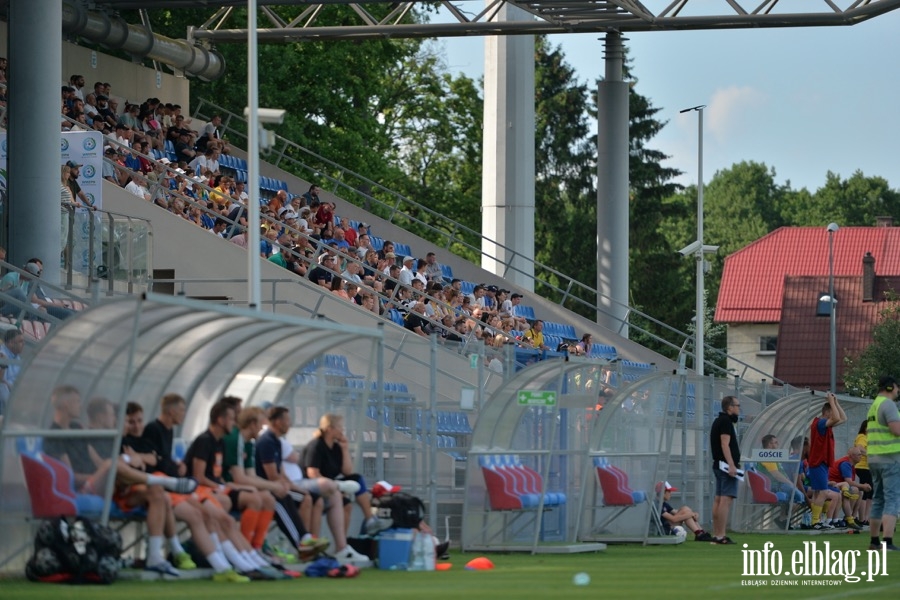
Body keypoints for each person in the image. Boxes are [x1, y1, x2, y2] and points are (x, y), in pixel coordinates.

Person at [257, 406, 367, 565]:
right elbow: (292, 474)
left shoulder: (277, 442)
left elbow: (281, 473)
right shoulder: (270, 441)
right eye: (287, 420)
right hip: (285, 486)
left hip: (292, 486)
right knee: (302, 497)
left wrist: (344, 449)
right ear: (278, 421)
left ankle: (334, 547)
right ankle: (304, 544)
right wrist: (291, 487)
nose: (290, 423)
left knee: (323, 499)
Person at [303, 413, 379, 537]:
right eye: (340, 427)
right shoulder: (316, 445)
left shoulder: (336, 447)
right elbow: (312, 473)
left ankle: (366, 522)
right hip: (313, 486)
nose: (342, 430)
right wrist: (335, 485)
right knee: (324, 500)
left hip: (331, 485)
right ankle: (315, 542)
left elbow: (347, 472)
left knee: (355, 484)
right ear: (329, 429)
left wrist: (344, 449)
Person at [866, 376, 900, 551]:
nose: (897, 391)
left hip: (874, 458)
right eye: (896, 387)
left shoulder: (874, 405)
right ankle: (887, 540)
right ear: (889, 387)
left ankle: (874, 541)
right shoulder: (888, 405)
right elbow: (896, 430)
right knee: (892, 499)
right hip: (890, 458)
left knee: (878, 499)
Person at [808, 392, 846, 530]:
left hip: (821, 463)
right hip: (818, 462)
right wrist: (831, 401)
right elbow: (836, 417)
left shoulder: (825, 424)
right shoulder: (821, 422)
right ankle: (815, 521)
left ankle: (818, 520)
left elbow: (843, 418)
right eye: (832, 410)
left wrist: (835, 403)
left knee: (819, 493)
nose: (833, 413)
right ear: (827, 412)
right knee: (823, 492)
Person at [710, 395, 741, 545]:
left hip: (718, 465)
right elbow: (725, 444)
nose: (738, 409)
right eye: (737, 406)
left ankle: (717, 534)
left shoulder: (718, 421)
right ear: (729, 407)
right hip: (724, 466)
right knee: (725, 500)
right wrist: (731, 464)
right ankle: (721, 535)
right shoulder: (726, 422)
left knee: (719, 499)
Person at [759, 434, 806, 505]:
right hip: (774, 486)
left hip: (778, 485)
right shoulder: (767, 456)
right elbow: (776, 475)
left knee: (800, 496)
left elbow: (781, 472)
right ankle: (788, 513)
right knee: (799, 496)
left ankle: (787, 513)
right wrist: (790, 483)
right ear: (770, 444)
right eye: (776, 442)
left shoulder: (771, 456)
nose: (778, 444)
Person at [827, 445, 867, 531]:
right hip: (831, 486)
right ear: (852, 456)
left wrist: (861, 487)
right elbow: (849, 482)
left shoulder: (850, 464)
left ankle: (853, 517)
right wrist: (863, 486)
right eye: (859, 454)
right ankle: (848, 519)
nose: (861, 456)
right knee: (853, 490)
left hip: (838, 486)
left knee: (859, 492)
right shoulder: (846, 464)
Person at [0, 328, 23, 418]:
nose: (23, 344)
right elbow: (0, 380)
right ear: (10, 343)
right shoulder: (1, 354)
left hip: (14, 391)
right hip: (5, 390)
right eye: (20, 342)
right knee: (3, 387)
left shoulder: (17, 357)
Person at [854, 420, 872, 526]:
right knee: (867, 490)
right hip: (862, 467)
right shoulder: (862, 437)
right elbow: (860, 448)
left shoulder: (868, 438)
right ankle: (862, 518)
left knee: (870, 492)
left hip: (867, 467)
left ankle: (866, 517)